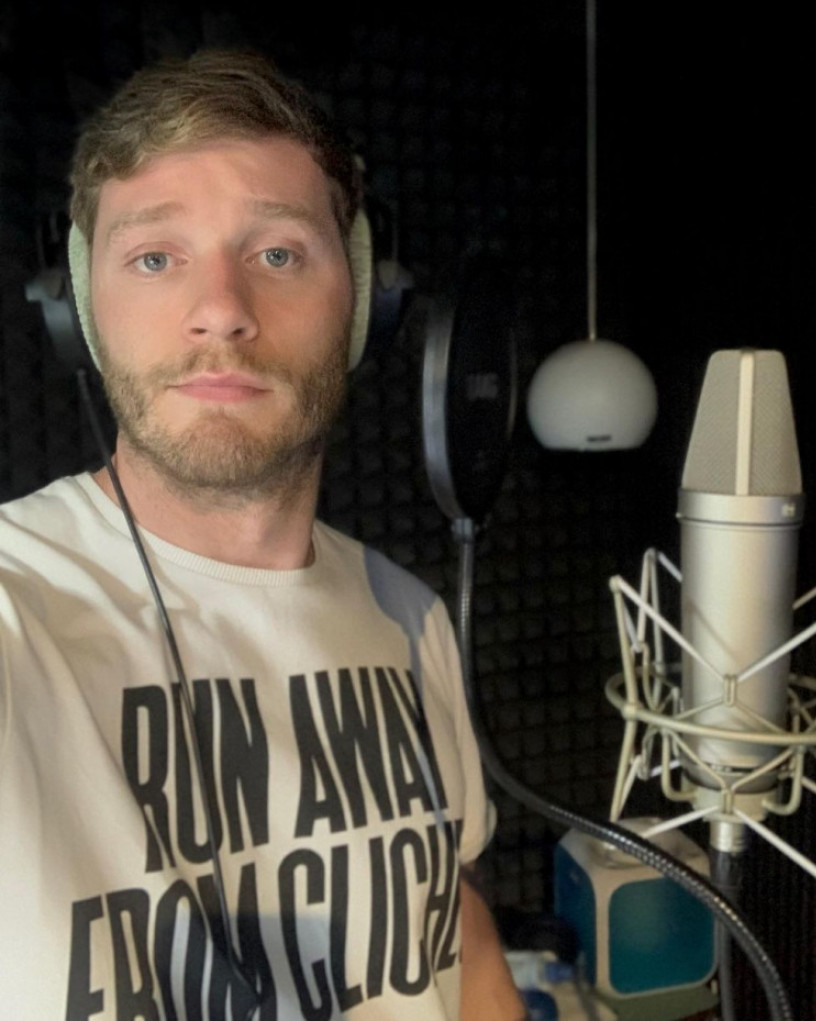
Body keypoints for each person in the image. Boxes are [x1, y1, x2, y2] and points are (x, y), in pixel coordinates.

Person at [0, 50, 525, 1020]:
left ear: (363, 300)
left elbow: (459, 934)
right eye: (155, 257)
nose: (221, 312)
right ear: (81, 310)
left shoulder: (411, 619)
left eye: (278, 253)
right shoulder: (17, 606)